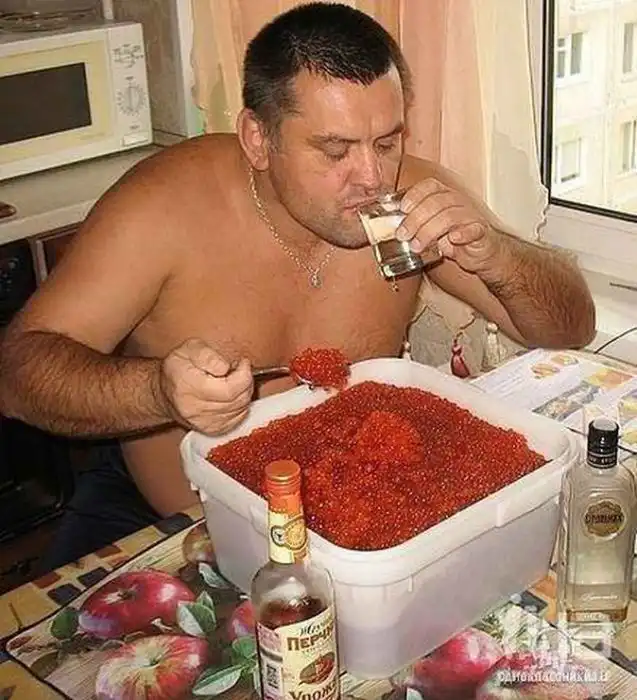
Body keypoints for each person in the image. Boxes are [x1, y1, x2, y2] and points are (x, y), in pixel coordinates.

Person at [0, 2, 595, 570]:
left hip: (356, 526)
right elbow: (17, 374)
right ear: (258, 139)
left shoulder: (409, 200)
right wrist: (156, 390)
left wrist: (497, 256)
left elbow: (570, 329)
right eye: (335, 150)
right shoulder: (162, 209)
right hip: (173, 522)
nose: (372, 177)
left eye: (387, 142)